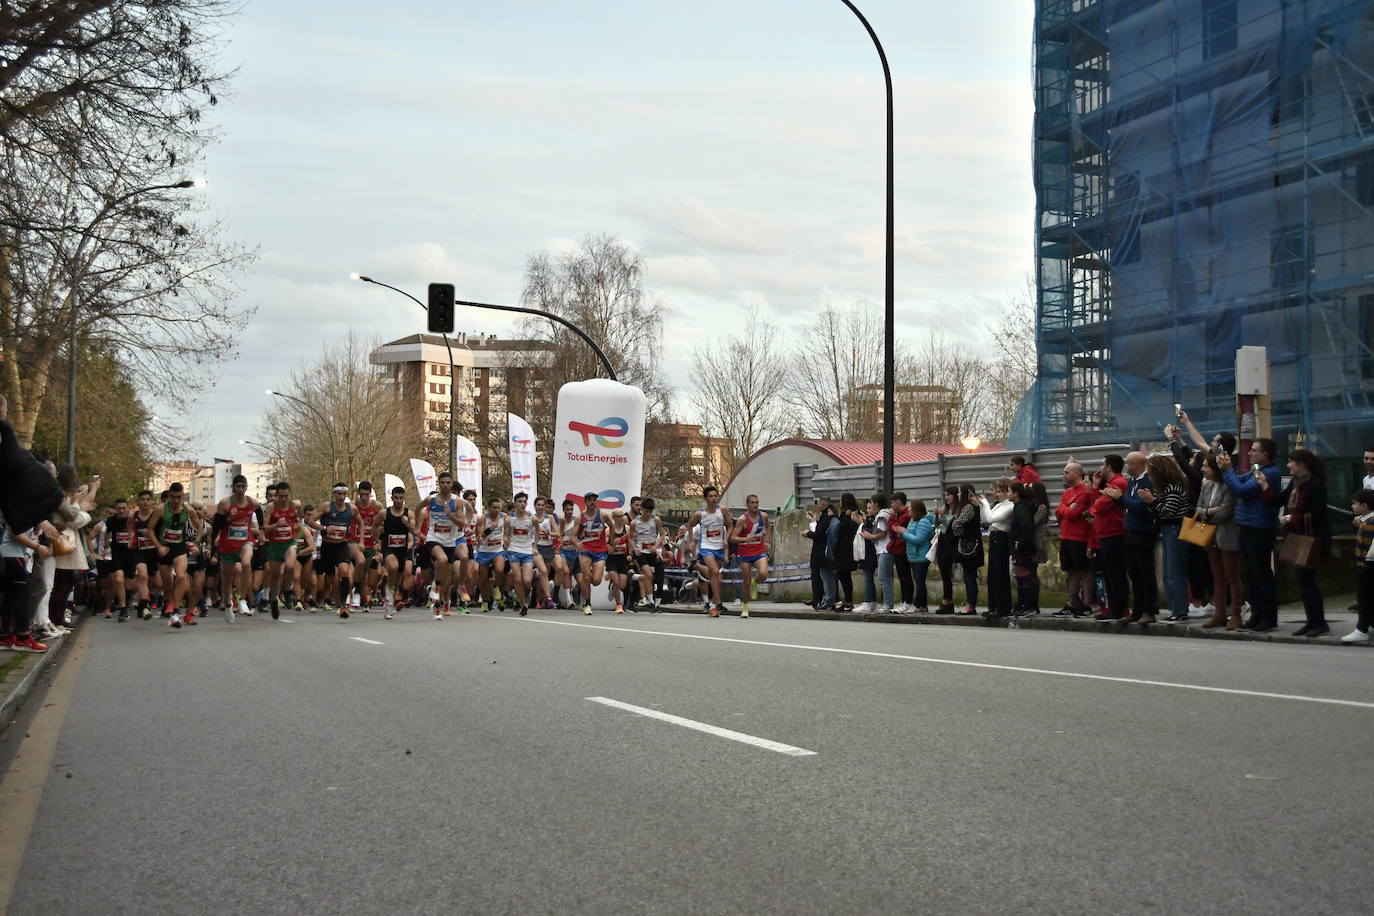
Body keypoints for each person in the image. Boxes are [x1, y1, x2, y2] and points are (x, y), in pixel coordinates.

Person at [1219, 438, 1282, 631]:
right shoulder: (1257, 470)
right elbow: (1239, 481)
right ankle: (1257, 613)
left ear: (1265, 454)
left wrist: (1228, 470)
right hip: (1246, 526)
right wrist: (1229, 472)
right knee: (1248, 574)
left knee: (1261, 574)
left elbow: (1241, 490)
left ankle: (1268, 617)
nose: (1249, 453)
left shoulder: (1270, 473)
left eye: (1254, 451)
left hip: (1259, 528)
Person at [1279, 448, 1331, 637]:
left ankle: (1319, 622)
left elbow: (1318, 515)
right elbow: (1280, 499)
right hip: (1297, 538)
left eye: (1291, 461)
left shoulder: (1316, 485)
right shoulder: (1295, 483)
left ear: (1302, 464)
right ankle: (1311, 621)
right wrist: (1263, 486)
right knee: (1303, 582)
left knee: (1309, 581)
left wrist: (1292, 518)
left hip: (1311, 539)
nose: (1288, 465)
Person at [1141, 454, 1191, 623]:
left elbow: (1167, 511)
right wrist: (1151, 503)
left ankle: (1179, 610)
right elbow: (1156, 511)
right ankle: (1174, 609)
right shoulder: (1163, 489)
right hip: (1166, 528)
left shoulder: (1174, 488)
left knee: (1174, 572)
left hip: (1175, 528)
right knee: (1168, 573)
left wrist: (1152, 501)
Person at [1195, 453, 1242, 630]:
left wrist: (1208, 513)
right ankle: (1219, 613)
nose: (1202, 469)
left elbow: (1225, 513)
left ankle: (1236, 613)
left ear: (1215, 469)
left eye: (1206, 466)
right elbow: (1198, 508)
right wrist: (1209, 512)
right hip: (1210, 536)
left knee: (1232, 575)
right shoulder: (1206, 485)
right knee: (1217, 576)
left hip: (1227, 535)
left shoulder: (1228, 486)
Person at [417, 472, 468, 619]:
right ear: (438, 483)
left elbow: (461, 524)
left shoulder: (457, 502)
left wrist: (450, 515)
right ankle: (436, 588)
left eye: (448, 483)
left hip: (450, 541)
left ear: (452, 484)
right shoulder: (431, 499)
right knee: (442, 559)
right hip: (433, 538)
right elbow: (419, 506)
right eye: (443, 482)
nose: (446, 485)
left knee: (447, 577)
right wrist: (416, 528)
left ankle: (440, 603)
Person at [1118, 451, 1159, 625]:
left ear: (1135, 464)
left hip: (1144, 530)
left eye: (1128, 463)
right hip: (1130, 530)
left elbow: (1141, 507)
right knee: (1133, 573)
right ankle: (1137, 609)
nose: (1126, 466)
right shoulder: (1131, 482)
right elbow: (1128, 504)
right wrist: (1117, 499)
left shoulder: (1147, 481)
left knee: (1145, 572)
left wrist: (1120, 498)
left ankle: (1149, 610)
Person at [214, 474, 260, 622]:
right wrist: (228, 518)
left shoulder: (252, 502)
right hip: (228, 543)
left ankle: (242, 599)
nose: (240, 489)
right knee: (227, 579)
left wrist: (263, 530)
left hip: (245, 540)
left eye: (243, 486)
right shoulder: (225, 503)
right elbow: (216, 525)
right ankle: (228, 605)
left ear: (246, 487)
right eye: (238, 486)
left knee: (246, 563)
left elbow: (259, 512)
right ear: (233, 488)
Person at [153, 482, 200, 626]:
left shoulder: (188, 510)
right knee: (166, 582)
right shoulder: (161, 509)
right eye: (172, 497)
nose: (175, 501)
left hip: (179, 547)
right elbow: (149, 530)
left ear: (182, 496)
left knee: (180, 576)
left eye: (179, 497)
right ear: (169, 496)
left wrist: (196, 543)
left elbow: (199, 527)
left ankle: (176, 611)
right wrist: (159, 546)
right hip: (164, 548)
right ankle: (170, 602)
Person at [1091, 455, 1130, 621]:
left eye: (1103, 463)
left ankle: (1119, 608)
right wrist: (1095, 487)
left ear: (1109, 467)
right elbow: (1093, 504)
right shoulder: (1108, 485)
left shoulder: (1119, 483)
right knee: (1109, 573)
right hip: (1105, 533)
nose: (1101, 467)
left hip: (1114, 532)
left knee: (1116, 573)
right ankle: (1112, 607)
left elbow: (1099, 506)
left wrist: (1101, 497)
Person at [684, 486, 732, 617]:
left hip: (719, 547)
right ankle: (718, 602)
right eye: (710, 496)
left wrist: (726, 539)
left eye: (715, 496)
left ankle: (713, 605)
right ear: (705, 499)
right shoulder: (700, 514)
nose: (713, 498)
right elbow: (689, 525)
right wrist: (693, 541)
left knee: (714, 577)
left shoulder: (722, 510)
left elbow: (730, 525)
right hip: (706, 547)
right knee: (715, 572)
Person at [311, 484, 357, 618]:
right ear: (334, 494)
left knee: (344, 571)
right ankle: (339, 601)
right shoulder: (326, 507)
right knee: (333, 580)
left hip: (341, 545)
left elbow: (360, 523)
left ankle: (344, 604)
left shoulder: (352, 508)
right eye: (339, 494)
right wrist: (324, 528)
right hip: (327, 546)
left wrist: (359, 540)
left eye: (344, 494)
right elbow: (310, 521)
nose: (342, 497)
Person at [575, 491, 624, 615]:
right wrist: (577, 543)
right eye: (590, 500)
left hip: (600, 550)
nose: (593, 502)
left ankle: (582, 586)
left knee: (596, 581)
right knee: (586, 577)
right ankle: (587, 604)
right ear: (585, 502)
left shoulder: (602, 515)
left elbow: (611, 527)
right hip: (585, 550)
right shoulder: (580, 517)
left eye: (594, 500)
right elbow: (573, 536)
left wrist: (611, 542)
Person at [261, 481, 301, 620]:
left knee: (290, 566)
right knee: (276, 576)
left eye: (286, 496)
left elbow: (298, 509)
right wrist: (276, 524)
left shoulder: (294, 505)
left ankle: (288, 591)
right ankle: (273, 601)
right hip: (275, 544)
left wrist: (295, 524)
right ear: (276, 496)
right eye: (281, 496)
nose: (284, 499)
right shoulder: (271, 507)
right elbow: (265, 528)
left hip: (290, 542)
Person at [376, 486, 415, 618]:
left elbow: (415, 531)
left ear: (404, 498)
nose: (398, 500)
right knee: (394, 566)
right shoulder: (384, 513)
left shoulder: (409, 514)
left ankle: (389, 596)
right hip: (388, 547)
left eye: (401, 498)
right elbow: (374, 526)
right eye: (396, 498)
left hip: (402, 550)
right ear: (391, 498)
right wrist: (376, 541)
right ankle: (388, 597)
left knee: (397, 577)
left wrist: (407, 524)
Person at [731, 494, 772, 618]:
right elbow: (733, 538)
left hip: (759, 551)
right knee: (746, 582)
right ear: (747, 505)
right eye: (752, 503)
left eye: (756, 502)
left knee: (764, 573)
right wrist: (746, 538)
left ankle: (756, 582)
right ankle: (745, 607)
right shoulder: (742, 519)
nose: (755, 505)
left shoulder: (763, 516)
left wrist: (767, 541)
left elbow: (768, 527)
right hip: (745, 553)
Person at [979, 479, 1015, 619]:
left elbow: (991, 519)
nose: (995, 493)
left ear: (1006, 492)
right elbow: (984, 519)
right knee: (992, 574)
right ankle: (993, 605)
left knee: (1000, 573)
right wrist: (982, 506)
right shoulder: (999, 505)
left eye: (998, 491)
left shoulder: (1010, 506)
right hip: (994, 536)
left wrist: (986, 504)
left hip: (1001, 538)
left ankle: (1003, 606)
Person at [1343, 489, 1374, 644]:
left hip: (1366, 566)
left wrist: (1361, 565)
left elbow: (1365, 546)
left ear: (1365, 505)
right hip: (1367, 566)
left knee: (1364, 598)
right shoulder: (1366, 520)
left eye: (1355, 504)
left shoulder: (1369, 524)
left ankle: (1362, 629)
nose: (1352, 506)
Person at [950, 484, 984, 615]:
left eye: (959, 492)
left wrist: (958, 532)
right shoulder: (972, 507)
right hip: (972, 543)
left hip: (970, 545)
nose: (958, 495)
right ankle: (970, 604)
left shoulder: (969, 507)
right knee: (969, 575)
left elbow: (957, 524)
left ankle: (971, 605)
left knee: (969, 576)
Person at [1007, 483, 1039, 617]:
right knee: (1020, 575)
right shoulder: (1019, 506)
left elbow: (1026, 527)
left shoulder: (1021, 507)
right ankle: (1022, 603)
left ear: (1016, 493)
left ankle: (1029, 605)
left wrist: (1019, 543)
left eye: (1009, 491)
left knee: (1025, 575)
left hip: (1024, 547)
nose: (1008, 493)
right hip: (1020, 546)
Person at [898, 498, 934, 613]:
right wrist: (901, 534)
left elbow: (918, 539)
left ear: (916, 509)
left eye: (911, 507)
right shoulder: (913, 520)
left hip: (921, 556)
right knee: (918, 581)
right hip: (913, 556)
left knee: (919, 582)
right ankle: (922, 605)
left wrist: (904, 533)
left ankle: (919, 605)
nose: (908, 509)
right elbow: (909, 536)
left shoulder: (924, 522)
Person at [474, 495, 509, 612]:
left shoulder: (504, 517)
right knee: (483, 579)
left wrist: (506, 538)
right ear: (488, 508)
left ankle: (495, 587)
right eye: (494, 507)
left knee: (499, 570)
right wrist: (490, 529)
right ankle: (485, 601)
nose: (497, 510)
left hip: (498, 550)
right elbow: (480, 537)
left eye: (499, 507)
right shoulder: (482, 519)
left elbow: (507, 532)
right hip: (484, 551)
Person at [631, 498, 666, 612]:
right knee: (649, 575)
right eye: (646, 511)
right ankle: (650, 601)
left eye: (650, 511)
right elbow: (630, 538)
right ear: (642, 509)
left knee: (660, 578)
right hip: (641, 553)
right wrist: (634, 548)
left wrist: (656, 546)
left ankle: (657, 604)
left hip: (653, 552)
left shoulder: (656, 520)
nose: (648, 514)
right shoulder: (635, 522)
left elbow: (662, 535)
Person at [803, 496, 837, 610]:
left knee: (826, 578)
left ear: (823, 505)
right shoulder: (828, 517)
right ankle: (823, 600)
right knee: (823, 577)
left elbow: (818, 534)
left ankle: (828, 601)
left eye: (819, 504)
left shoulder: (827, 517)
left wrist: (807, 533)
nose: (817, 506)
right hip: (824, 551)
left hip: (823, 552)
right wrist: (814, 521)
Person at [831, 493, 861, 614]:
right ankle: (847, 601)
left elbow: (843, 528)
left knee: (844, 574)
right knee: (842, 574)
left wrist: (843, 518)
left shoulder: (852, 514)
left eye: (841, 500)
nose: (839, 502)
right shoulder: (845, 513)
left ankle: (849, 601)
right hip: (842, 548)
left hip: (847, 549)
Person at [886, 492, 915, 613]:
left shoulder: (906, 515)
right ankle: (904, 601)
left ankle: (907, 602)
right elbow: (892, 531)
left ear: (898, 502)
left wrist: (892, 518)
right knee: (902, 576)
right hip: (896, 548)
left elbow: (894, 528)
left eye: (893, 502)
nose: (891, 505)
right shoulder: (898, 514)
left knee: (905, 576)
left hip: (903, 548)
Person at [933, 486, 959, 613]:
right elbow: (938, 525)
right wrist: (937, 515)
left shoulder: (958, 509)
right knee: (943, 571)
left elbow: (951, 524)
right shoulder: (946, 508)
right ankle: (947, 600)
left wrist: (943, 515)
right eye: (945, 495)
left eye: (949, 495)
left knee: (946, 570)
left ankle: (947, 600)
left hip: (951, 541)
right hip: (942, 539)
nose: (946, 497)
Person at [855, 495, 883, 613]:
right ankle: (869, 601)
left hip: (871, 552)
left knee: (870, 577)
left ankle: (869, 601)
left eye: (870, 508)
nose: (868, 511)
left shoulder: (877, 519)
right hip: (867, 551)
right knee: (868, 576)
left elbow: (868, 532)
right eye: (867, 508)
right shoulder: (870, 519)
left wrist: (861, 524)